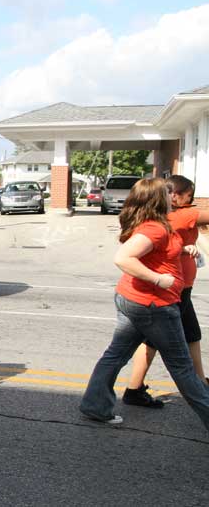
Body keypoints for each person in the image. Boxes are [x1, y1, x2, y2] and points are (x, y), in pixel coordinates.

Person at [79, 177, 209, 429]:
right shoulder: (156, 228)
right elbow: (123, 258)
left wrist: (183, 250)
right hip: (154, 306)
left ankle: (95, 406)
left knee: (115, 355)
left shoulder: (154, 224)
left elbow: (155, 251)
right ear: (160, 199)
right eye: (168, 193)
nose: (174, 197)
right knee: (183, 368)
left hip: (134, 300)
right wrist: (159, 279)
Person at [123, 175, 209, 407]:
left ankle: (199, 383)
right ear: (174, 196)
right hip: (173, 289)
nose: (191, 201)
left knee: (190, 335)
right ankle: (198, 391)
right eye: (189, 196)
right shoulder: (184, 214)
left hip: (178, 288)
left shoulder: (163, 217)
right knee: (161, 344)